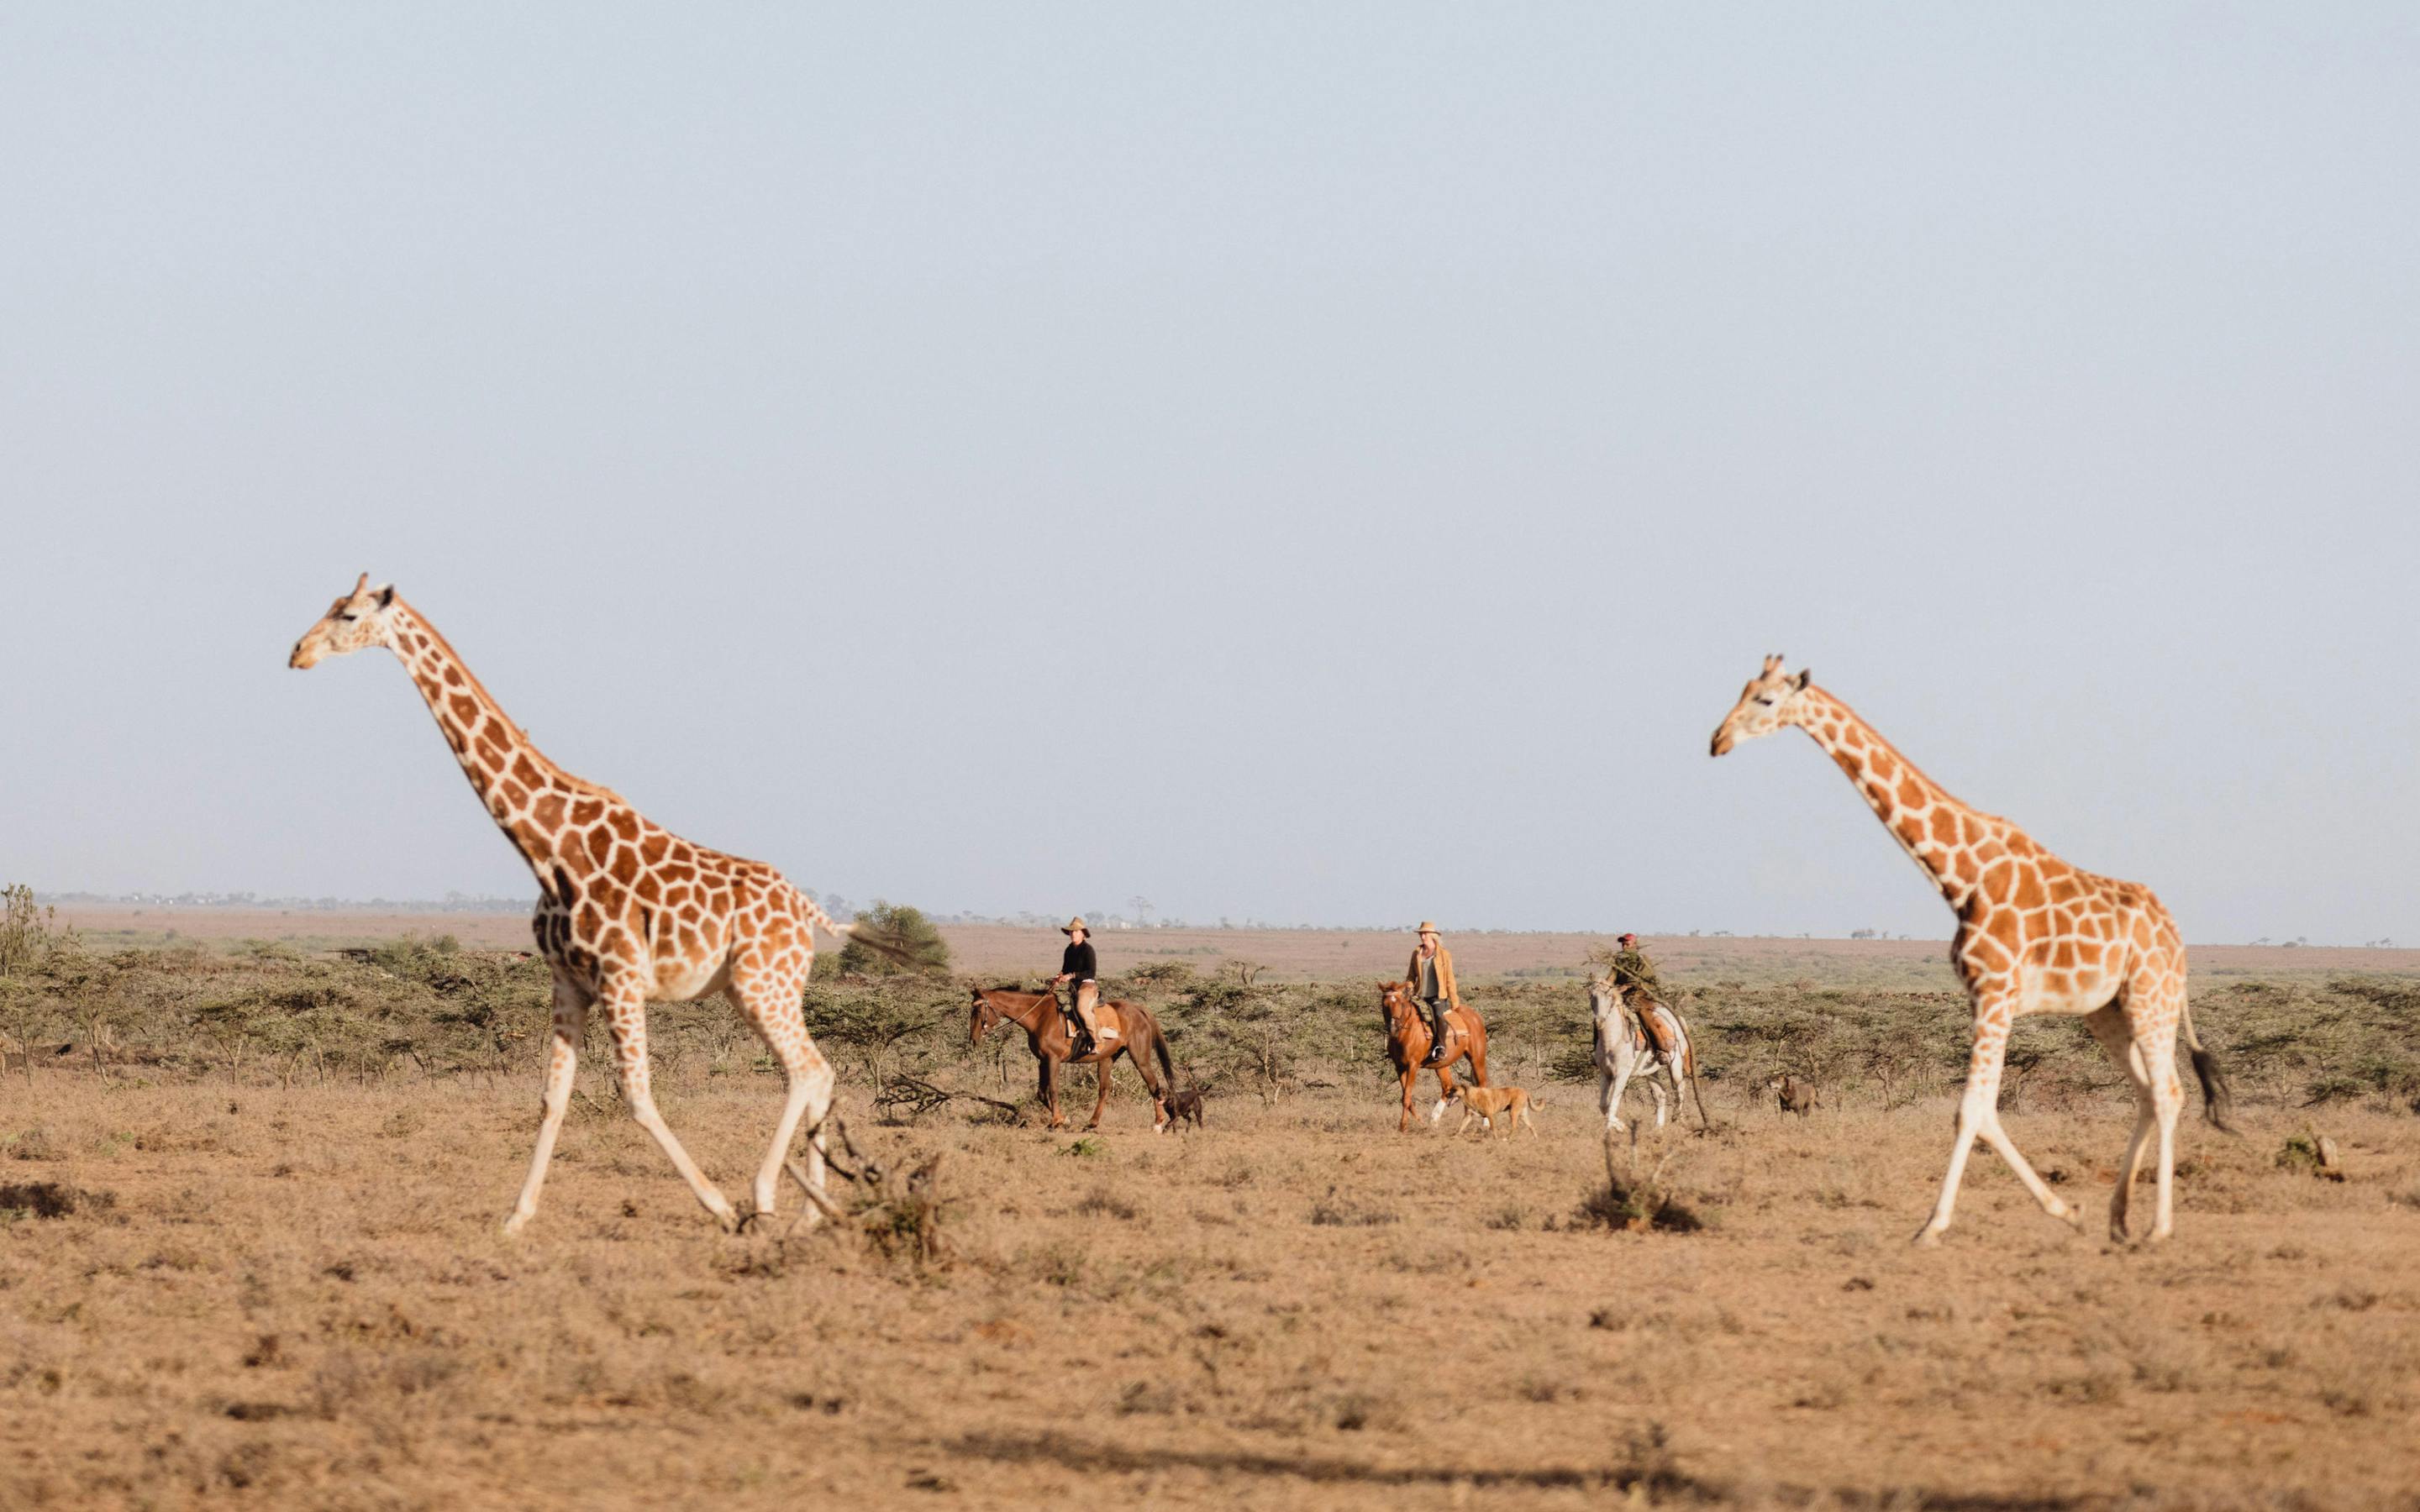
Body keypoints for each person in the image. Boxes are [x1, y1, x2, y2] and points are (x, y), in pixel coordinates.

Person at [1050, 916, 1115, 1052]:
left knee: (1081, 1008)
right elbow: (1066, 968)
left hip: (1087, 986)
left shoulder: (1088, 950)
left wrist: (1072, 975)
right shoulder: (1069, 950)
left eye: (1076, 931)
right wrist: (1059, 976)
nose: (1073, 934)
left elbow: (1091, 972)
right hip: (1073, 987)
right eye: (1071, 932)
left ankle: (1097, 1041)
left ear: (1083, 934)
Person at [1608, 932, 1677, 1056]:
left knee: (1643, 1014)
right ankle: (1598, 1050)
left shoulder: (1642, 959)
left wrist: (1627, 986)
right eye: (1623, 944)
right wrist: (1605, 987)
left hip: (1641, 994)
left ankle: (1661, 1048)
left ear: (1635, 945)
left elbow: (1644, 979)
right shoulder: (1618, 960)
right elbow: (1612, 977)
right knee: (1602, 1016)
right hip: (1622, 995)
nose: (1624, 947)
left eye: (1627, 944)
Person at [1404, 921, 1462, 1068]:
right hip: (1419, 995)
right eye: (1421, 933)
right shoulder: (1416, 953)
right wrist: (1409, 988)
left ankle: (1441, 1047)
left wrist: (1454, 1001)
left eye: (1425, 933)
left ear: (1433, 935)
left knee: (1438, 1015)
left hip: (1437, 996)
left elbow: (1449, 978)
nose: (1422, 936)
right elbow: (1411, 976)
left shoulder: (1443, 954)